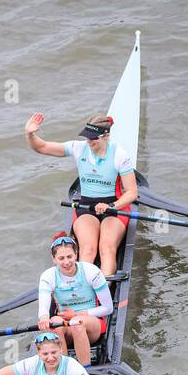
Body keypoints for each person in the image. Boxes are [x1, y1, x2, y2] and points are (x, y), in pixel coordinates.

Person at [24, 112, 138, 275]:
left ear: (105, 136)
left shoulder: (119, 155)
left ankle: (104, 289)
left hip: (114, 208)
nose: (89, 141)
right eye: (87, 137)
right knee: (88, 250)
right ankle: (83, 289)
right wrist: (30, 134)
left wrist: (111, 206)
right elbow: (42, 147)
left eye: (94, 138)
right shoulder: (78, 148)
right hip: (86, 207)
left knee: (106, 249)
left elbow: (132, 193)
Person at [38, 231, 114, 365]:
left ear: (76, 255)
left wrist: (77, 314)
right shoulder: (48, 276)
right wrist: (44, 317)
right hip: (65, 325)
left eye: (69, 256)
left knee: (76, 322)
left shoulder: (92, 271)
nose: (66, 262)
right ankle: (62, 368)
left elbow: (108, 308)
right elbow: (43, 304)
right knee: (54, 321)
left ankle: (84, 372)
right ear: (54, 259)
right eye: (61, 258)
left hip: (92, 325)